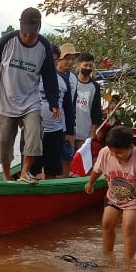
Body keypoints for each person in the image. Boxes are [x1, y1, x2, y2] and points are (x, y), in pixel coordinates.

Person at [0, 7, 60, 184]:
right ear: (20, 27)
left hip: (31, 100)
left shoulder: (44, 46)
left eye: (32, 34)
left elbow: (50, 77)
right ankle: (7, 178)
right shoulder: (7, 41)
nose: (29, 37)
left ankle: (24, 173)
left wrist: (54, 102)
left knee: (34, 135)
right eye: (26, 33)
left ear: (38, 29)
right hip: (6, 100)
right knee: (4, 143)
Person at [84, 125, 136, 259]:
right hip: (114, 195)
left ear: (131, 148)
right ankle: (107, 256)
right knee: (106, 223)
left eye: (120, 153)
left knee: (128, 226)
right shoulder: (105, 153)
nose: (116, 157)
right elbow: (97, 169)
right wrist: (90, 182)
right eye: (113, 153)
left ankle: (129, 263)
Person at [30, 45, 73, 179]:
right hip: (34, 131)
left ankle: (48, 195)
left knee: (52, 170)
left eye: (53, 60)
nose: (50, 62)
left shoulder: (63, 80)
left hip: (56, 132)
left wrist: (70, 132)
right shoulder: (31, 78)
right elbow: (20, 101)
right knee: (30, 170)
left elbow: (68, 108)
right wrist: (21, 123)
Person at [57, 43, 79, 177]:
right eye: (67, 58)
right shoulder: (50, 75)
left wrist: (71, 129)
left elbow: (72, 104)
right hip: (51, 124)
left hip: (67, 122)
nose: (70, 62)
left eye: (72, 59)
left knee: (67, 154)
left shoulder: (73, 77)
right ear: (59, 59)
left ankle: (64, 180)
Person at [74, 52, 102, 150]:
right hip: (69, 132)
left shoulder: (94, 87)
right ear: (79, 65)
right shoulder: (70, 81)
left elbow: (96, 111)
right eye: (85, 65)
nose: (87, 68)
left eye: (90, 66)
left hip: (85, 133)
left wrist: (93, 132)